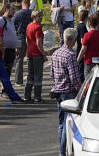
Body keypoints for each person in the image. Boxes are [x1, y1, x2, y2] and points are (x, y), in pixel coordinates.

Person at [51, 27, 83, 156]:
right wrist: (80, 90)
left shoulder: (55, 54)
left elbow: (52, 73)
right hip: (69, 93)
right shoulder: (70, 55)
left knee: (61, 124)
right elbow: (74, 77)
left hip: (58, 91)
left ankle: (61, 149)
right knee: (67, 124)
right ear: (74, 40)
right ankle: (62, 151)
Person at [24, 10, 47, 102]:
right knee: (38, 75)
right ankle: (37, 97)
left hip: (30, 53)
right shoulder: (37, 27)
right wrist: (44, 54)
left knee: (30, 75)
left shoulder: (29, 26)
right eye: (39, 16)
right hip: (37, 54)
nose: (41, 18)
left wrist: (29, 47)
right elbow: (39, 42)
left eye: (41, 16)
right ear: (34, 17)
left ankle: (27, 96)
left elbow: (27, 39)